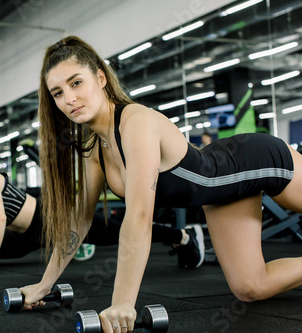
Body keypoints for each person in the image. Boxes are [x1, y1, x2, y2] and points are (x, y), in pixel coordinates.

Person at [20, 35, 302, 333]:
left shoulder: (135, 123)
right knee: (250, 288)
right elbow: (79, 221)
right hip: (224, 193)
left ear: (100, 78)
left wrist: (123, 303)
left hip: (259, 159)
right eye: (58, 92)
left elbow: (140, 216)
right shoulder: (96, 149)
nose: (69, 99)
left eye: (76, 83)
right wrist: (44, 285)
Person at [0, 155, 205, 288]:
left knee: (114, 233)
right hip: (28, 236)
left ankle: (182, 236)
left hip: (51, 217)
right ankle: (179, 237)